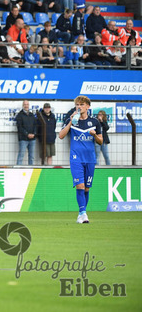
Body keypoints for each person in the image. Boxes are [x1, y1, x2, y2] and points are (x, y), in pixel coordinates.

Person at [58, 96, 102, 224]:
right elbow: (61, 136)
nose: (79, 107)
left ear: (88, 106)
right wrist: (71, 122)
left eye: (82, 104)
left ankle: (81, 213)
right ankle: (83, 213)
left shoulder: (94, 122)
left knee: (86, 188)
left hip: (90, 159)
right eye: (77, 104)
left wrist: (94, 134)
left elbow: (101, 141)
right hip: (76, 158)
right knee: (80, 185)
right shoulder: (71, 120)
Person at [15, 100, 37, 165]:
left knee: (31, 157)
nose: (26, 106)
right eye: (25, 104)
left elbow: (35, 125)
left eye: (27, 104)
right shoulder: (19, 115)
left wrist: (34, 134)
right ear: (23, 105)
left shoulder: (32, 115)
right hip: (23, 139)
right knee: (21, 156)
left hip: (32, 139)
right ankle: (18, 169)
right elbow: (19, 127)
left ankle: (31, 169)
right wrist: (27, 134)